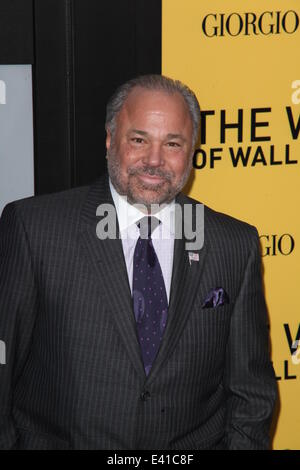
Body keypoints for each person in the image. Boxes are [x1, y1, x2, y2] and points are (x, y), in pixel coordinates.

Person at [0, 74, 277, 450]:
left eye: (173, 143)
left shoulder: (233, 244)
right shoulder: (35, 229)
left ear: (192, 151)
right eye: (139, 139)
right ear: (110, 139)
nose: (154, 160)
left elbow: (251, 396)